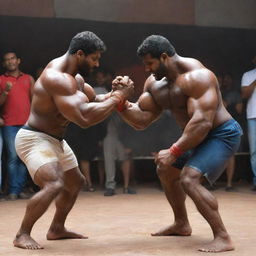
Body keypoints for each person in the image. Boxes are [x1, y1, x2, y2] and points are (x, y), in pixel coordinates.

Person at [113, 35, 242, 252]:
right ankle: (181, 224)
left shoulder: (198, 77)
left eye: (150, 63)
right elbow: (141, 120)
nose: (146, 69)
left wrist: (174, 150)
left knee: (189, 179)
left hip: (221, 134)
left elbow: (202, 123)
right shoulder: (155, 84)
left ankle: (223, 237)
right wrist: (121, 101)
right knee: (165, 168)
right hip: (193, 135)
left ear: (164, 57)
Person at [13, 31, 134, 250]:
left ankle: (57, 228)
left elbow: (95, 100)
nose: (97, 64)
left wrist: (115, 92)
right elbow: (84, 118)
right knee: (54, 183)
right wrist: (118, 97)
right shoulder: (56, 78)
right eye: (94, 58)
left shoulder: (75, 79)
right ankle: (22, 234)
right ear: (80, 54)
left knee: (75, 182)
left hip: (56, 139)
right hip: (34, 138)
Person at [0, 52, 35, 200]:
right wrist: (6, 91)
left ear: (18, 61)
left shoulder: (28, 79)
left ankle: (20, 189)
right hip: (9, 124)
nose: (10, 61)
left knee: (24, 158)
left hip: (27, 124)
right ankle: (14, 190)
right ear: (4, 64)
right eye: (7, 60)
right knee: (13, 157)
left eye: (12, 58)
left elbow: (35, 102)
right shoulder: (1, 80)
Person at [220, 73, 243, 191]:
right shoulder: (216, 91)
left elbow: (239, 110)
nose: (225, 81)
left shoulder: (235, 94)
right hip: (215, 125)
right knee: (211, 154)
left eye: (228, 78)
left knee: (230, 155)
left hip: (229, 125)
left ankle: (229, 184)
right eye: (224, 78)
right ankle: (210, 182)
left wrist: (229, 103)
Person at [241, 55, 256, 190]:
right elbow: (245, 95)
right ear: (254, 59)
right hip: (253, 117)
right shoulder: (248, 75)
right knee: (254, 152)